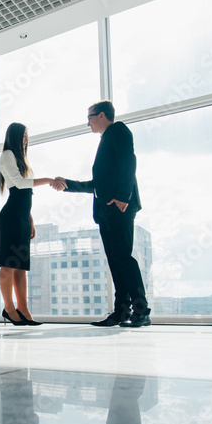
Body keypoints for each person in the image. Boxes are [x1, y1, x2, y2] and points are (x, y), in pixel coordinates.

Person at [55, 101, 151, 327]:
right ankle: (121, 312)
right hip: (107, 210)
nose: (87, 122)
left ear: (101, 115)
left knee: (124, 259)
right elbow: (98, 185)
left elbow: (130, 162)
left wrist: (123, 197)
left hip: (120, 207)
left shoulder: (118, 131)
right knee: (116, 261)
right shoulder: (106, 140)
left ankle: (141, 310)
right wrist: (66, 184)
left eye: (89, 117)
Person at [0, 122, 64, 325]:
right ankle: (9, 309)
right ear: (15, 136)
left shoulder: (23, 160)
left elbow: (27, 195)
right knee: (8, 265)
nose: (27, 139)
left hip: (22, 217)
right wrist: (48, 180)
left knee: (20, 266)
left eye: (28, 136)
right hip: (11, 217)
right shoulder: (7, 154)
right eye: (24, 135)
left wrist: (30, 219)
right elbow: (18, 184)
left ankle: (24, 310)